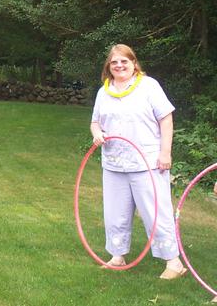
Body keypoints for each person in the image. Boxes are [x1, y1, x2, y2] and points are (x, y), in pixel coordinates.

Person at [90, 44, 185, 279]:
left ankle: (174, 263)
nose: (119, 65)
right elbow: (95, 122)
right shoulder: (104, 91)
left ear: (134, 63)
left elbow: (166, 119)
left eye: (124, 61)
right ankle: (117, 255)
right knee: (115, 213)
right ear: (108, 66)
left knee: (156, 213)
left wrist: (165, 153)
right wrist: (97, 133)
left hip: (148, 163)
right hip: (114, 163)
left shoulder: (149, 86)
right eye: (114, 62)